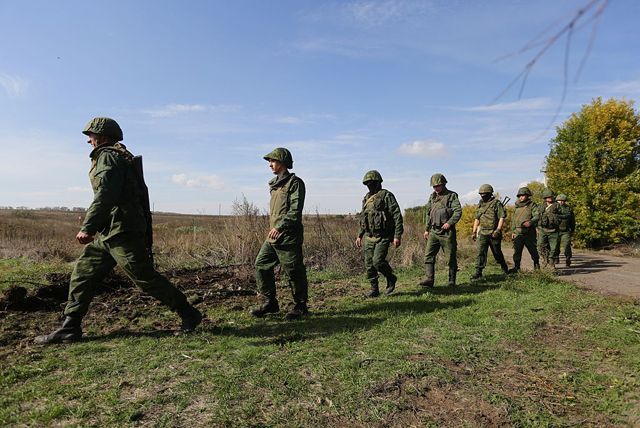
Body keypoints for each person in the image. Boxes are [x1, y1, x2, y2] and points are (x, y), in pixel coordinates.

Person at [35, 117, 202, 344]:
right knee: (83, 274)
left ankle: (188, 313)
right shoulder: (114, 156)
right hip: (108, 231)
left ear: (102, 137)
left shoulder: (108, 157)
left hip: (122, 230)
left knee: (143, 277)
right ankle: (70, 326)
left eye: (91, 137)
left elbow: (106, 195)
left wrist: (88, 227)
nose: (89, 142)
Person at [251, 147, 309, 320]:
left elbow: (294, 211)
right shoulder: (274, 185)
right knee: (261, 264)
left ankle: (300, 306)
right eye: (269, 161)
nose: (270, 164)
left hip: (288, 235)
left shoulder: (295, 183)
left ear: (283, 162)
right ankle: (270, 302)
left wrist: (280, 227)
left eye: (273, 161)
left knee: (293, 271)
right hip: (273, 236)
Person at [355, 170, 403, 297]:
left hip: (383, 236)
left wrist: (397, 236)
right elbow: (363, 218)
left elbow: (397, 215)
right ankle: (374, 289)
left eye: (371, 183)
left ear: (378, 183)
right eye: (367, 184)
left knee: (377, 261)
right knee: (369, 265)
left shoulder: (386, 196)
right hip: (369, 236)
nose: (369, 185)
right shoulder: (366, 198)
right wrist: (359, 235)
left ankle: (391, 277)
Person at [419, 173, 462, 288]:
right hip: (433, 231)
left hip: (447, 232)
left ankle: (451, 281)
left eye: (438, 186)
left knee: (450, 257)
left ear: (443, 184)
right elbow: (429, 214)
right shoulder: (432, 197)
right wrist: (427, 230)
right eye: (434, 186)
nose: (436, 188)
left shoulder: (451, 196)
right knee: (428, 256)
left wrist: (449, 223)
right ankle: (429, 279)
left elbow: (458, 211)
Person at [471, 184, 509, 280]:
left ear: (489, 193)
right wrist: (474, 231)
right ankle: (478, 272)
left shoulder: (496, 203)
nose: (482, 196)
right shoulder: (480, 204)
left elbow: (501, 217)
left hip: (493, 233)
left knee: (497, 253)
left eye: (484, 194)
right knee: (480, 252)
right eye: (481, 194)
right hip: (483, 233)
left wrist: (498, 230)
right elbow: (477, 218)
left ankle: (504, 267)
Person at [508, 187, 540, 273]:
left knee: (533, 250)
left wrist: (531, 222)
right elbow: (514, 220)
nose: (521, 197)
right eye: (520, 196)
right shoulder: (517, 206)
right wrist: (513, 231)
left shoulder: (532, 205)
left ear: (527, 195)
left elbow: (537, 215)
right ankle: (517, 268)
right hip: (518, 232)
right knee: (517, 251)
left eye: (523, 195)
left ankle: (537, 267)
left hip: (529, 232)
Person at [537, 188, 561, 269]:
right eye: (548, 197)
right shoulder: (541, 206)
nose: (549, 198)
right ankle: (545, 260)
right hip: (543, 230)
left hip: (554, 231)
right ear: (545, 197)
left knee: (554, 248)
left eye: (551, 196)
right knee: (540, 246)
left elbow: (564, 217)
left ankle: (551, 264)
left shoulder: (557, 206)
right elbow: (537, 217)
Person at [555, 193, 576, 266]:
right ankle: (556, 257)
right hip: (555, 231)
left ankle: (568, 258)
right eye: (559, 200)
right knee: (555, 246)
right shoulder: (554, 207)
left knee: (567, 245)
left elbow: (572, 220)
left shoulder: (568, 208)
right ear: (557, 200)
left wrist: (572, 229)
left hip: (565, 231)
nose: (561, 202)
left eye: (563, 200)